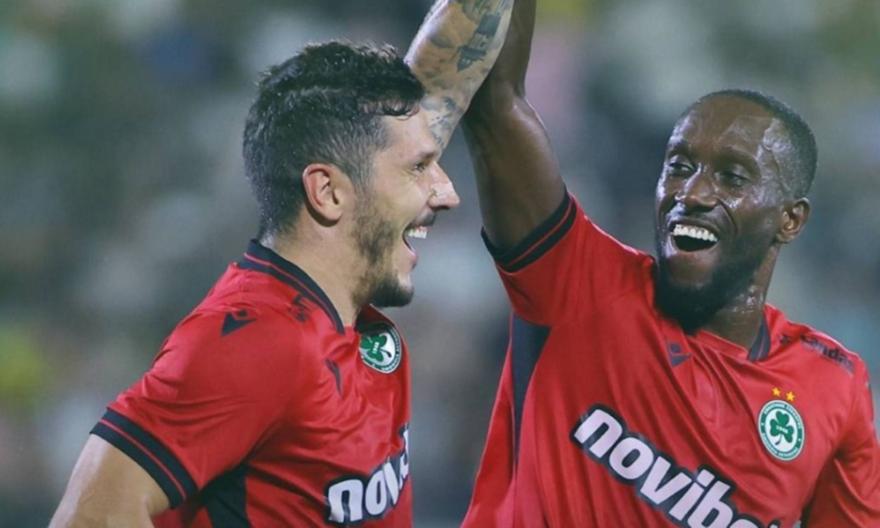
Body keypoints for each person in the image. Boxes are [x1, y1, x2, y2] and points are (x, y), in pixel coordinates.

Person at [49, 1, 513, 526]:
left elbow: (439, 85)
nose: (448, 194)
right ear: (328, 193)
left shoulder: (339, 316)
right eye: (419, 168)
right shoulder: (257, 342)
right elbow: (88, 516)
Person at [460, 0, 880, 526]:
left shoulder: (833, 386)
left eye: (732, 177)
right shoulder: (578, 280)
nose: (692, 193)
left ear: (790, 220)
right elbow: (495, 105)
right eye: (679, 166)